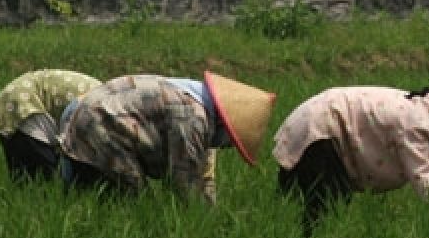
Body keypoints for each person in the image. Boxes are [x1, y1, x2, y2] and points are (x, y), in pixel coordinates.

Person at [274, 81, 429, 237]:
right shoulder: (416, 125)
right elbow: (426, 181)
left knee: (306, 209)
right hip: (321, 128)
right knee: (327, 207)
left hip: (320, 120)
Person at [59, 71, 276, 204]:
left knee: (104, 196)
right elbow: (185, 178)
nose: (224, 146)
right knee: (135, 200)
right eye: (230, 143)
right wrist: (199, 223)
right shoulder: (192, 116)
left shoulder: (198, 99)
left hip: (94, 111)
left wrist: (208, 205)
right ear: (226, 127)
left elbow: (205, 173)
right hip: (103, 120)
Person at [0, 69, 101, 181]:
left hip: (20, 97)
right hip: (25, 103)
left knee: (30, 181)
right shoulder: (103, 111)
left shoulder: (107, 101)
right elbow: (73, 148)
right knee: (45, 181)